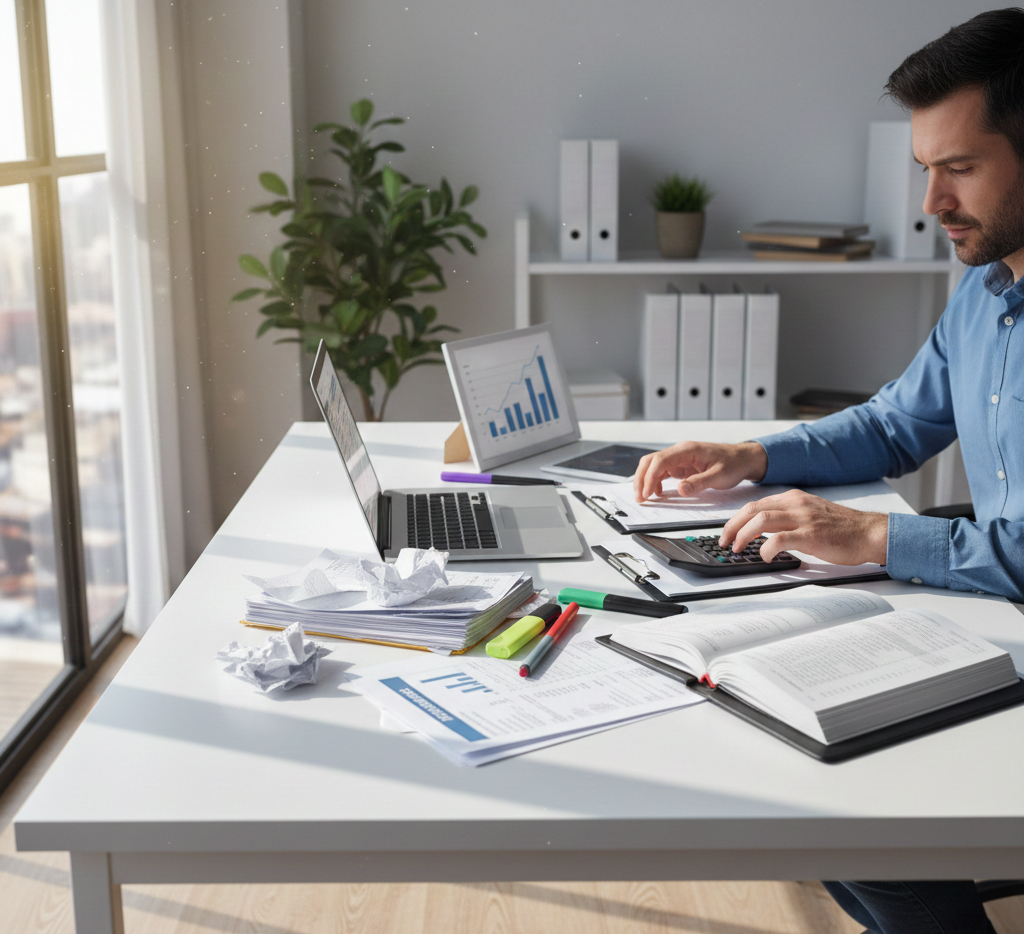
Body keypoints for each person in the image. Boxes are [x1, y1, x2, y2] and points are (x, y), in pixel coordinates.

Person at [634, 9, 1024, 933]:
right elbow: (898, 421)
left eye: (960, 168)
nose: (933, 202)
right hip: (993, 608)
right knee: (765, 723)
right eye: (925, 169)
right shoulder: (985, 285)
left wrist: (876, 534)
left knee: (845, 804)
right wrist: (752, 455)